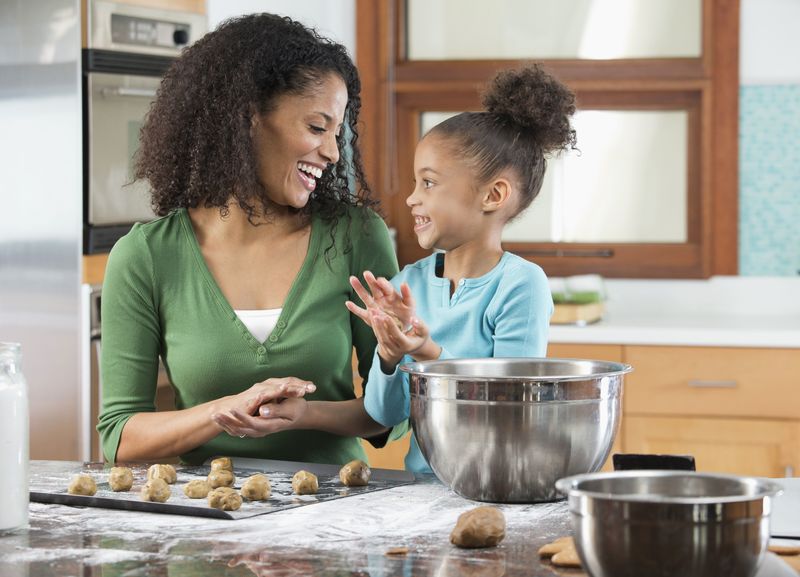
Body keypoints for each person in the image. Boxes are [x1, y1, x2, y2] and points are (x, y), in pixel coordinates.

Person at [97, 13, 398, 466]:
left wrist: (306, 415)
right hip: (209, 515)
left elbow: (387, 414)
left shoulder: (355, 236)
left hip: (336, 512)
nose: (334, 152)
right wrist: (222, 411)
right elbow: (120, 437)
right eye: (317, 128)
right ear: (248, 118)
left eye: (337, 133)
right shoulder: (146, 256)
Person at [343, 64, 577, 472]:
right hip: (421, 494)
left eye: (429, 183)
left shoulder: (520, 285)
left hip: (497, 490)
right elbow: (384, 415)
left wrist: (428, 354)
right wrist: (389, 355)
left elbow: (507, 410)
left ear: (493, 195)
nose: (412, 198)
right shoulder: (407, 285)